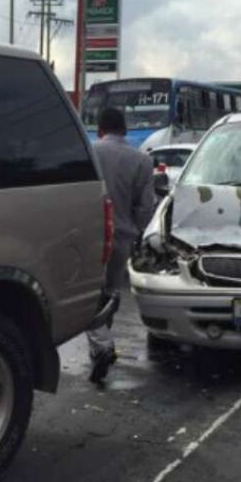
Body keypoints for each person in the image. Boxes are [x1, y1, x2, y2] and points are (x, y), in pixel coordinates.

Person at [87, 107, 155, 384]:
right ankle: (102, 346)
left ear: (101, 128)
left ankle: (102, 346)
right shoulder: (141, 160)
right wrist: (136, 231)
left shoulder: (90, 152)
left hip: (90, 234)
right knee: (111, 292)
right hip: (122, 237)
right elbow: (146, 205)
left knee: (90, 295)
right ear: (125, 130)